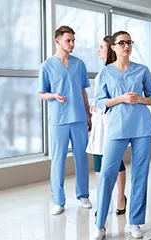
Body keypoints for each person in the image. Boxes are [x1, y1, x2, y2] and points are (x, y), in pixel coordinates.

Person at [92, 31, 151, 240]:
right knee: (106, 174)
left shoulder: (142, 70)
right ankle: (100, 225)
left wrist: (139, 99)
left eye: (129, 42)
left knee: (140, 175)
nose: (126, 46)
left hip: (142, 127)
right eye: (122, 43)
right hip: (117, 127)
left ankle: (135, 222)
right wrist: (121, 98)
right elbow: (100, 102)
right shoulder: (105, 73)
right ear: (113, 47)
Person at [39, 25, 92, 215]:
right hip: (59, 120)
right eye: (68, 40)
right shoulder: (47, 66)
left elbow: (82, 91)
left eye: (73, 40)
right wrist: (53, 96)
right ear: (57, 41)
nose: (72, 44)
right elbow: (42, 93)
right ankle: (59, 201)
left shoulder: (79, 64)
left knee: (81, 158)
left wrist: (88, 114)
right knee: (58, 160)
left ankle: (83, 195)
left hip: (78, 118)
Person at [86, 36, 127, 216]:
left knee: (115, 161)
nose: (98, 50)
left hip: (112, 121)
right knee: (98, 161)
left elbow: (121, 97)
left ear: (110, 48)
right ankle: (103, 200)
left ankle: (120, 198)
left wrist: (104, 104)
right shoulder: (102, 72)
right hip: (99, 121)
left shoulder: (118, 72)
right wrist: (95, 106)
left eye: (101, 47)